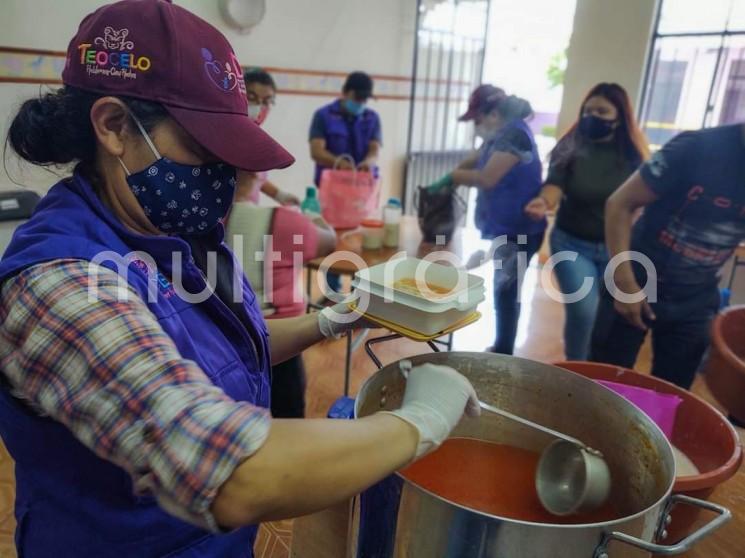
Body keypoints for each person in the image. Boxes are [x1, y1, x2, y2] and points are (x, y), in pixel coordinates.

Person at [0, 3, 478, 557]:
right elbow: (231, 473)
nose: (222, 178)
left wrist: (327, 321)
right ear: (113, 127)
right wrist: (419, 421)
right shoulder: (61, 287)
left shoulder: (175, 233)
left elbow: (220, 351)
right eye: (204, 151)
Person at [590, 122, 745, 389]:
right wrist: (625, 285)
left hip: (695, 299)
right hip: (636, 278)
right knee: (603, 388)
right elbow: (620, 204)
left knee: (673, 396)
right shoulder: (697, 147)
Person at [524, 83, 649, 360]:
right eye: (588, 110)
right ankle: (578, 370)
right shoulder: (570, 146)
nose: (593, 116)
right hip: (572, 243)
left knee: (606, 321)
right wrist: (544, 202)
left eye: (602, 111)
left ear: (619, 116)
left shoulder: (633, 156)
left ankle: (597, 372)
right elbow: (554, 185)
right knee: (583, 309)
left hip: (616, 250)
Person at [428, 85, 545, 355]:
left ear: (493, 114)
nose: (476, 127)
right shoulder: (502, 134)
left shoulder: (514, 134)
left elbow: (487, 178)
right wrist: (454, 171)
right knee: (504, 289)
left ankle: (504, 353)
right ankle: (502, 347)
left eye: (477, 120)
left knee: (506, 292)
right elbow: (480, 156)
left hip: (519, 230)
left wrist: (453, 179)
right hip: (507, 227)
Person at [227, 184, 337, 418]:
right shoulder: (284, 223)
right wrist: (313, 215)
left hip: (226, 335)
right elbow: (330, 241)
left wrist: (278, 193)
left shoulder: (205, 220)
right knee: (288, 414)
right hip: (281, 341)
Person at [308, 71, 382, 295]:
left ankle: (359, 293)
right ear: (345, 93)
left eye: (364, 99)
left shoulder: (371, 118)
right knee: (333, 240)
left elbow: (374, 149)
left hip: (362, 193)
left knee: (362, 238)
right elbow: (316, 151)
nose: (360, 103)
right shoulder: (323, 116)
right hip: (333, 193)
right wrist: (338, 162)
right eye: (357, 98)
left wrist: (369, 162)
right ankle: (332, 293)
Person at [239, 68, 300, 206]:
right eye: (252, 98)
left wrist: (278, 194)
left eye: (266, 101)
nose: (259, 107)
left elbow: (256, 177)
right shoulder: (225, 137)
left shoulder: (256, 138)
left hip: (246, 215)